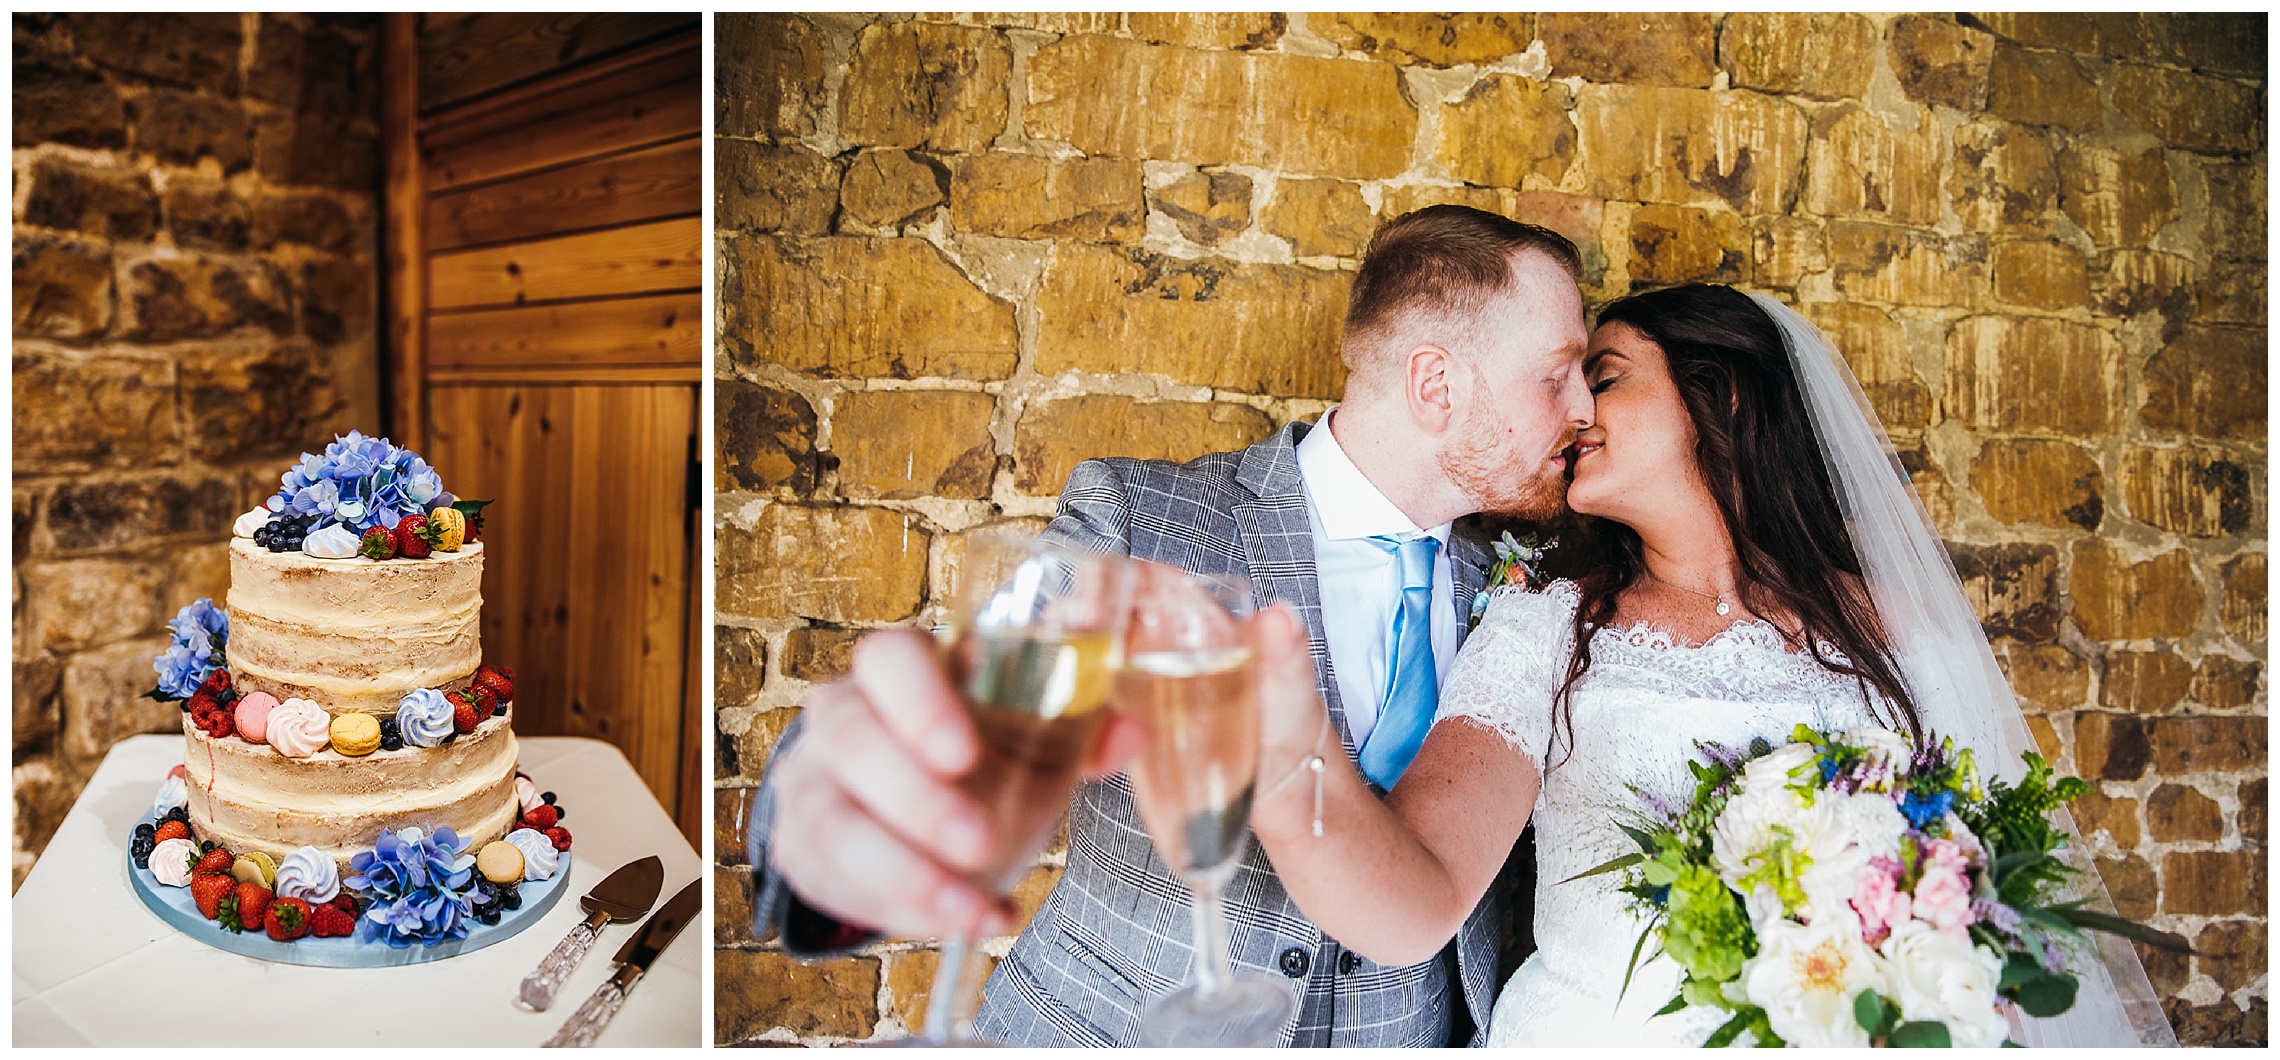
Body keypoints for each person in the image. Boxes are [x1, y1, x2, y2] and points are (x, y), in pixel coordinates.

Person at [1240, 284, 2176, 1047]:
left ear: (1717, 396)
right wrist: (1274, 738)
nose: (1570, 413)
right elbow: (1418, 895)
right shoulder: (1543, 622)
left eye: (1601, 379)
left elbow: (1994, 897)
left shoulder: (1891, 624)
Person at [750, 204, 1594, 1046]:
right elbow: (988, 693)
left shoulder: (1516, 594)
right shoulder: (1142, 520)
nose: (1585, 407)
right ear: (1435, 384)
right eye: (1557, 374)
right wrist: (845, 798)